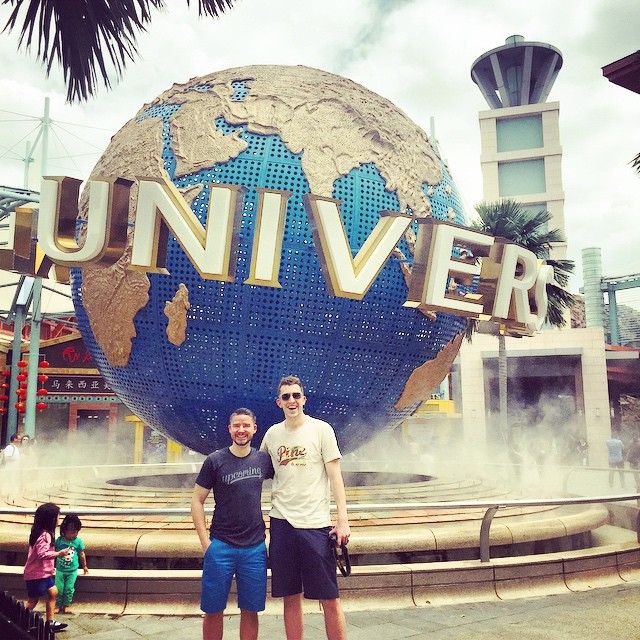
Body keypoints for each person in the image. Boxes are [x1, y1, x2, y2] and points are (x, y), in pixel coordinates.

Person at [260, 375, 350, 640]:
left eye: (296, 395)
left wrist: (342, 520)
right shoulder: (272, 435)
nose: (292, 401)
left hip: (315, 524)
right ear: (278, 402)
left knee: (329, 597)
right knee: (290, 596)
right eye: (286, 396)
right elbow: (258, 471)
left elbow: (335, 476)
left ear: (304, 399)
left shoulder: (321, 430)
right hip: (282, 524)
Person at [191, 408, 274, 640]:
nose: (241, 430)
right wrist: (205, 542)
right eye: (236, 425)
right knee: (213, 610)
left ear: (254, 429)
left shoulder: (263, 460)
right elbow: (197, 501)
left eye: (246, 425)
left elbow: (288, 483)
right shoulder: (215, 461)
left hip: (255, 547)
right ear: (229, 429)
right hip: (221, 546)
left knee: (251, 610)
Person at [24, 502, 71, 633]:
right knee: (33, 601)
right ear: (50, 519)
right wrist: (59, 553)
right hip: (36, 574)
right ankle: (19, 618)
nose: (59, 520)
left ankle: (50, 622)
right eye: (58, 517)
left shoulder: (40, 532)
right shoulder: (45, 535)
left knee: (53, 592)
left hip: (42, 573)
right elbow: (42, 554)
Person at [54, 513, 89, 614]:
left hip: (72, 571)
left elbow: (81, 554)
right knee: (59, 589)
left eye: (76, 532)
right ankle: (58, 605)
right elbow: (53, 553)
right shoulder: (59, 541)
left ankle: (66, 605)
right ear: (64, 531)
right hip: (60, 570)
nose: (74, 535)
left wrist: (85, 566)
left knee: (69, 589)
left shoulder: (78, 541)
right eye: (72, 532)